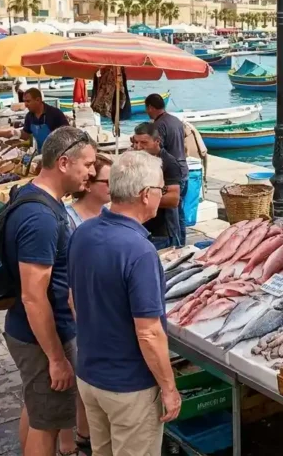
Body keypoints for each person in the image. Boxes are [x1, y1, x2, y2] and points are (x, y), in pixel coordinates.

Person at [68, 151, 181, 456]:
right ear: (146, 195)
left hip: (90, 376)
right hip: (129, 387)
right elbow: (148, 333)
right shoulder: (140, 251)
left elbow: (72, 298)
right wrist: (169, 389)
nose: (161, 196)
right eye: (160, 189)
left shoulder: (82, 232)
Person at [3, 127, 96, 456]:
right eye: (87, 165)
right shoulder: (41, 217)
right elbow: (33, 296)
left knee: (38, 409)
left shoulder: (34, 196)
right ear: (64, 162)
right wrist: (56, 358)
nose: (93, 172)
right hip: (40, 338)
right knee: (49, 426)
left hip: (32, 333)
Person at [144, 94, 188, 246]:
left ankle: (175, 245)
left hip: (171, 173)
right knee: (179, 213)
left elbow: (156, 150)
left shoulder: (158, 125)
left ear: (150, 107)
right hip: (184, 170)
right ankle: (182, 244)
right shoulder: (175, 120)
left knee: (171, 215)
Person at [132, 123, 183, 250]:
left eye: (144, 143)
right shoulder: (137, 160)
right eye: (135, 142)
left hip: (161, 233)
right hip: (140, 228)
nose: (138, 147)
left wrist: (137, 198)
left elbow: (173, 199)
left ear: (157, 141)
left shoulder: (169, 163)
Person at [66, 156, 112, 229]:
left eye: (114, 181)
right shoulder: (67, 219)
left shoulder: (111, 213)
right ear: (87, 185)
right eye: (108, 182)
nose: (113, 186)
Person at [21, 88, 70, 153]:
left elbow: (68, 134)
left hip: (57, 153)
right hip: (41, 152)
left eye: (28, 101)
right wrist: (14, 134)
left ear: (38, 100)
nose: (25, 105)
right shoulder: (29, 116)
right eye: (24, 101)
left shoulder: (55, 113)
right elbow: (26, 134)